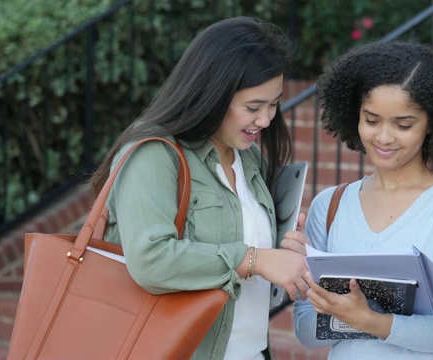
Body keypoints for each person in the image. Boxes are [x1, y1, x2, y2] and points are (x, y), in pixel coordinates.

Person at [89, 17, 311, 360]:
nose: (266, 120)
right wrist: (257, 259)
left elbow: (258, 259)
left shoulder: (248, 157)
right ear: (213, 93)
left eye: (274, 103)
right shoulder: (155, 154)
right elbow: (151, 259)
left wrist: (284, 246)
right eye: (253, 107)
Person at [292, 41, 433, 359]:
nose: (384, 138)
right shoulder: (328, 205)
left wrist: (369, 319)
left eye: (403, 125)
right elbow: (305, 330)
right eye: (371, 121)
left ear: (431, 124)